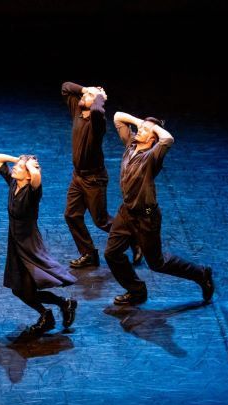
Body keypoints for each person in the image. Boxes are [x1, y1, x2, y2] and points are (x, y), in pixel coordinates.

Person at [105, 112, 214, 305]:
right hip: (126, 212)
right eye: (140, 128)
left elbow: (168, 138)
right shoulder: (131, 144)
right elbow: (117, 116)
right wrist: (143, 124)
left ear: (153, 139)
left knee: (157, 263)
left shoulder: (151, 157)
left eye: (146, 131)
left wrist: (152, 128)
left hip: (146, 218)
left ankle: (201, 274)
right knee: (112, 254)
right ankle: (137, 291)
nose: (140, 130)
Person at [0, 153, 78, 336]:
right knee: (18, 290)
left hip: (29, 244)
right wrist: (20, 161)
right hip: (15, 244)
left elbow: (37, 178)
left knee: (28, 288)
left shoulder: (32, 193)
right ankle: (61, 305)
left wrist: (30, 166)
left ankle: (51, 312)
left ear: (28, 175)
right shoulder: (14, 183)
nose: (14, 168)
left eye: (19, 168)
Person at [61, 82, 143, 268]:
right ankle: (89, 254)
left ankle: (134, 239)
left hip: (94, 179)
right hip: (78, 177)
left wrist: (99, 96)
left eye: (88, 97)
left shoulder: (97, 123)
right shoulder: (77, 111)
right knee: (71, 215)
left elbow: (98, 110)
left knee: (101, 220)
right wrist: (86, 90)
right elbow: (66, 87)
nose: (83, 97)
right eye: (84, 95)